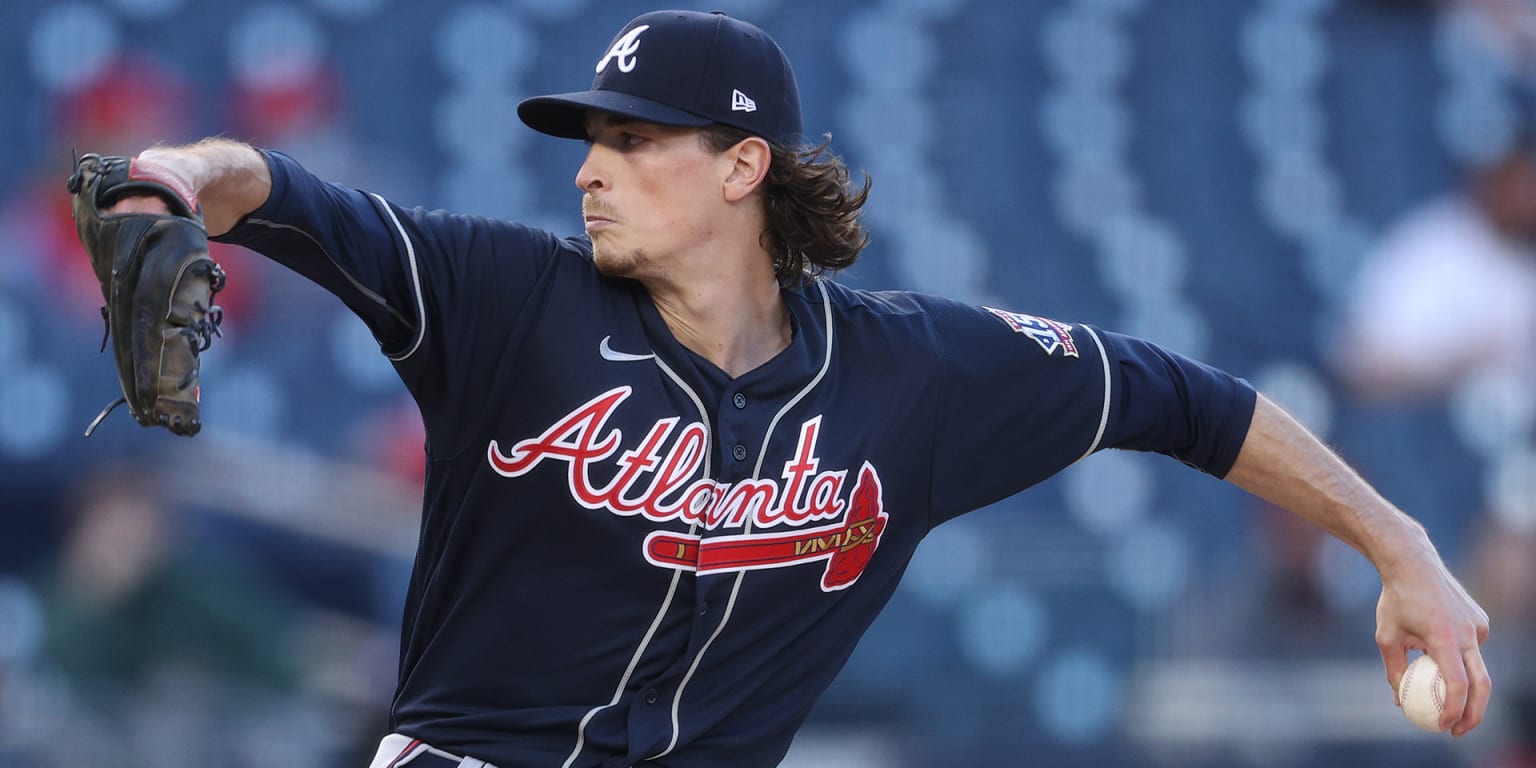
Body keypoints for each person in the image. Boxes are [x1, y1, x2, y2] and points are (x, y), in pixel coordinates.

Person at [89, 10, 1491, 768]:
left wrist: (1401, 541)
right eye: (588, 139)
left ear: (743, 166)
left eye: (635, 143)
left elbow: (1189, 402)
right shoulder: (502, 296)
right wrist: (168, 183)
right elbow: (267, 188)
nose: (589, 166)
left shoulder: (914, 374)